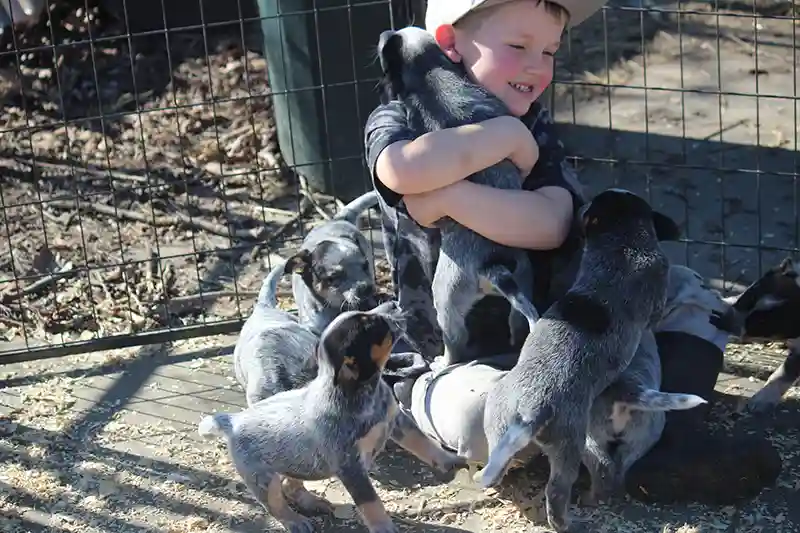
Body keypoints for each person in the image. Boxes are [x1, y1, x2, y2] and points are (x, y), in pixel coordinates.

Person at [363, 0, 780, 502]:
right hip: (465, 357)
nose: (538, 65)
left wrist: (453, 192)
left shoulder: (530, 124)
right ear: (449, 43)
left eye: (550, 50)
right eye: (518, 46)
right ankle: (579, 427)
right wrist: (501, 138)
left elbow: (553, 223)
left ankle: (671, 436)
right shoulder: (403, 113)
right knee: (476, 416)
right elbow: (402, 172)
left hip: (573, 331)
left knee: (691, 295)